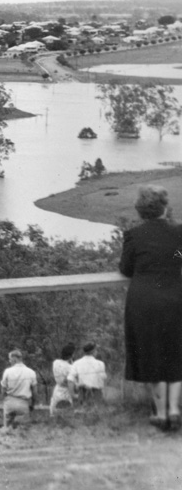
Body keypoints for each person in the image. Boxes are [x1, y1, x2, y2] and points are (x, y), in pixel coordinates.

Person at [120, 185, 182, 431]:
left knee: (153, 353)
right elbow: (179, 258)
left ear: (140, 211)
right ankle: (175, 409)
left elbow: (126, 269)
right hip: (175, 297)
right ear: (164, 207)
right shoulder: (179, 232)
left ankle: (160, 411)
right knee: (177, 351)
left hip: (144, 301)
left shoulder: (134, 235)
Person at [0, 349, 38, 429]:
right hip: (23, 403)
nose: (10, 361)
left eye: (10, 359)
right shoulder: (31, 372)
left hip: (9, 402)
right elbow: (34, 392)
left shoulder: (7, 371)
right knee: (23, 430)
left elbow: (3, 390)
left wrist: (5, 400)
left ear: (14, 359)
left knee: (7, 429)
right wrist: (32, 404)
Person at [50, 343, 77, 417]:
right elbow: (73, 381)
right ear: (71, 355)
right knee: (66, 414)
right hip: (66, 391)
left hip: (57, 389)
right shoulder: (71, 367)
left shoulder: (55, 362)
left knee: (55, 412)